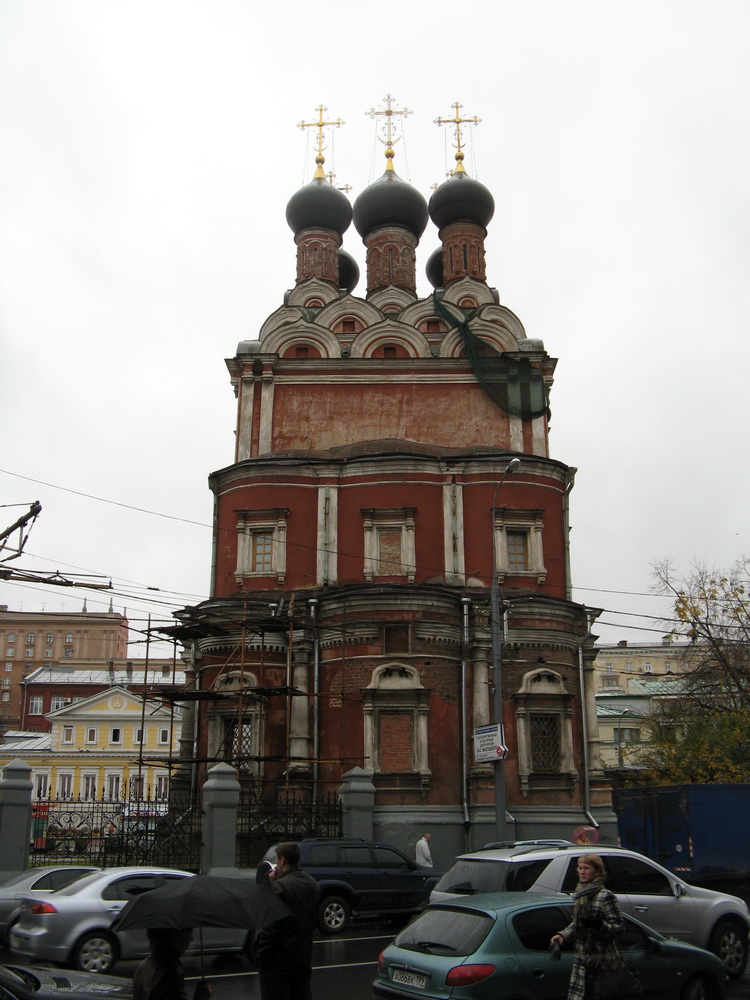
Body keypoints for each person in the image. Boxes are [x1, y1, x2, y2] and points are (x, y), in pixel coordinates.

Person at [549, 853, 623, 1000]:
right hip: (582, 960)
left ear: (597, 871)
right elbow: (577, 923)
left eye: (586, 868)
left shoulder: (605, 896)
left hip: (602, 962)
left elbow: (619, 928)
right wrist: (562, 936)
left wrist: (600, 925)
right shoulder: (579, 893)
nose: (582, 872)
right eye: (580, 868)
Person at [254, 841, 320, 1000]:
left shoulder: (280, 887)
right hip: (302, 958)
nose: (276, 863)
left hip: (279, 961)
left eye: (277, 859)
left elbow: (272, 926)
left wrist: (260, 954)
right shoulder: (312, 883)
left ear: (282, 860)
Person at [133, 928, 211, 1000]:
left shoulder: (144, 966)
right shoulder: (169, 972)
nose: (191, 939)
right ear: (176, 935)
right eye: (189, 931)